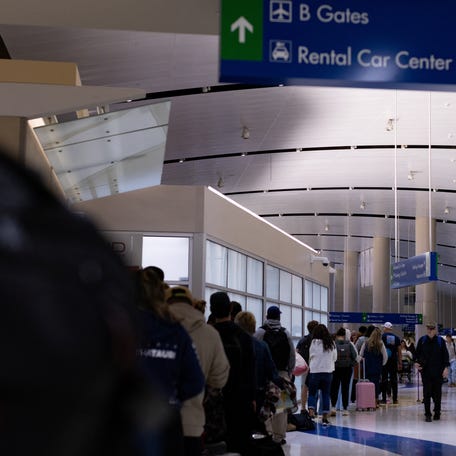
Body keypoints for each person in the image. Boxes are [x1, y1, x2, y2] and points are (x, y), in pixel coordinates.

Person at [135, 268, 205, 456]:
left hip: (126, 422)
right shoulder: (174, 331)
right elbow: (196, 380)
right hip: (166, 420)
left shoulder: (119, 327)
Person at [166, 286, 230, 456]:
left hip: (153, 422)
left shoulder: (148, 328)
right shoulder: (209, 334)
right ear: (191, 303)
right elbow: (220, 378)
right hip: (191, 422)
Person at [211, 291, 256, 455]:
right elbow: (250, 369)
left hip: (214, 399)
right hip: (240, 398)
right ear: (230, 309)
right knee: (239, 443)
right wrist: (251, 397)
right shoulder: (243, 337)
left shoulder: (209, 334)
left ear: (211, 309)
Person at [254, 305, 296, 444]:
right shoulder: (286, 333)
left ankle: (267, 433)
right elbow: (291, 355)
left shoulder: (260, 332)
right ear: (279, 317)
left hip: (264, 374)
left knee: (265, 405)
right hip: (282, 374)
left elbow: (254, 350)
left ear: (267, 316)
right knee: (281, 406)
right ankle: (280, 436)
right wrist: (288, 372)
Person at [234, 311, 281, 427]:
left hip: (235, 393)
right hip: (258, 392)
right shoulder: (261, 345)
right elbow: (271, 371)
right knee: (256, 426)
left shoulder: (233, 344)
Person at [415, 322, 450, 422]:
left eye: (432, 328)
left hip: (438, 372)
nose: (430, 330)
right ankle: (427, 414)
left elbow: (445, 356)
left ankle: (437, 412)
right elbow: (416, 354)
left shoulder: (440, 341)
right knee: (427, 393)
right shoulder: (422, 340)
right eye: (428, 328)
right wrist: (416, 363)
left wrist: (446, 368)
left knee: (437, 393)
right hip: (425, 372)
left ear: (435, 330)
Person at [306, 324, 337, 426]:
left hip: (315, 371)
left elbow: (310, 356)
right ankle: (324, 417)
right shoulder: (331, 343)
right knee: (326, 394)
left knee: (312, 393)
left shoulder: (314, 342)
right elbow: (335, 358)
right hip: (328, 372)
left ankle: (311, 413)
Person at [330, 327, 358, 416]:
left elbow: (331, 356)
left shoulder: (333, 344)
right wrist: (351, 364)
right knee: (345, 388)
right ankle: (345, 409)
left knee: (335, 387)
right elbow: (355, 356)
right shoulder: (349, 344)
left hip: (336, 368)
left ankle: (333, 407)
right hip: (347, 369)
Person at [359, 327, 388, 407]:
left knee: (367, 383)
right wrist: (382, 364)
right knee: (376, 385)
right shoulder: (381, 344)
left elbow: (360, 355)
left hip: (367, 367)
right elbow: (385, 357)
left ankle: (367, 401)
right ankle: (375, 402)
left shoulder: (366, 343)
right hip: (377, 368)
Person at [296, 320, 319, 410]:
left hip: (304, 367)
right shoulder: (319, 341)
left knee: (304, 387)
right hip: (315, 367)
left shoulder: (303, 339)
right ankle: (313, 408)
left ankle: (303, 407)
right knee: (314, 388)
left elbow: (296, 352)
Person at [380, 322, 402, 405]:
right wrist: (400, 363)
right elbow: (399, 351)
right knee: (394, 380)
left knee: (384, 379)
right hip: (393, 361)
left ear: (385, 328)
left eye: (384, 328)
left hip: (384, 361)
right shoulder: (396, 338)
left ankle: (384, 398)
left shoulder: (382, 337)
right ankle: (395, 399)